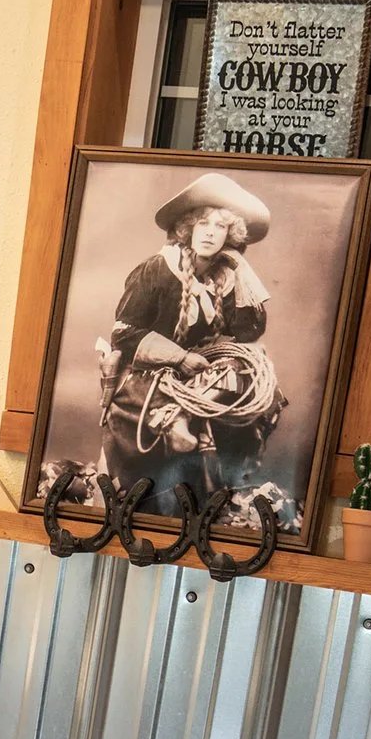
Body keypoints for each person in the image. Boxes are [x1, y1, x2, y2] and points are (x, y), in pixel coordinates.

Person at [91, 171, 287, 508]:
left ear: (230, 235)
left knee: (252, 380)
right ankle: (170, 428)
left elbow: (248, 332)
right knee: (174, 425)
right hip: (147, 377)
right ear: (188, 227)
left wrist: (240, 270)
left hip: (197, 375)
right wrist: (179, 358)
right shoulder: (157, 269)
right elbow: (123, 333)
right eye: (204, 224)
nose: (211, 233)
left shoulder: (221, 278)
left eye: (221, 227)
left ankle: (217, 491)